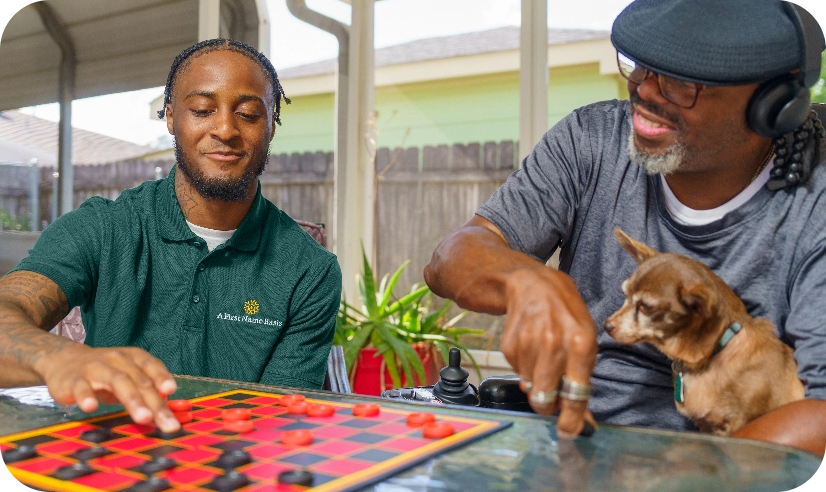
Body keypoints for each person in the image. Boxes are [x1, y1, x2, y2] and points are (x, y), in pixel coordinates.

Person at [425, 0, 826, 455]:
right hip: (578, 454)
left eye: (679, 80)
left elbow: (821, 414)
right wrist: (522, 280)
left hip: (742, 470)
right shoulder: (591, 139)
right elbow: (448, 260)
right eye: (640, 66)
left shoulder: (818, 199)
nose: (645, 91)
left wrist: (678, 481)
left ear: (775, 104)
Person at [0, 39, 342, 434]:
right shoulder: (103, 227)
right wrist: (58, 357)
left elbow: (280, 423)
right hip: (107, 459)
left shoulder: (311, 270)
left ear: (271, 124)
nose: (226, 129)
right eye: (202, 110)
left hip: (235, 466)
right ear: (170, 117)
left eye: (248, 113)